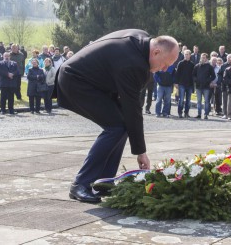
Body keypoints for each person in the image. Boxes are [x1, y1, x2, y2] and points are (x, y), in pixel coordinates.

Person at [55, 29, 179, 203]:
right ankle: (80, 184)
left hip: (91, 81)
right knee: (116, 127)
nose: (165, 70)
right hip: (76, 81)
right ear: (156, 52)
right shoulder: (134, 64)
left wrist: (138, 146)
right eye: (166, 64)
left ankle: (103, 183)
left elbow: (129, 110)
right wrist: (141, 152)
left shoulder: (141, 39)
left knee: (120, 125)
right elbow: (133, 109)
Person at [192, 53, 215, 120]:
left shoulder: (209, 66)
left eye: (204, 57)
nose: (202, 58)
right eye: (202, 57)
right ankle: (199, 114)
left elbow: (213, 76)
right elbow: (193, 75)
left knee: (206, 101)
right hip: (198, 86)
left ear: (206, 59)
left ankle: (206, 114)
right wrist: (196, 80)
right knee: (199, 101)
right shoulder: (197, 66)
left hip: (206, 87)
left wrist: (208, 81)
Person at [176, 49, 195, 118]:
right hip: (181, 84)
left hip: (189, 85)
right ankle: (180, 113)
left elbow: (193, 75)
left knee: (188, 101)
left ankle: (186, 113)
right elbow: (177, 74)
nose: (186, 56)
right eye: (185, 54)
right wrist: (176, 83)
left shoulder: (192, 64)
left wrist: (193, 85)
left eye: (187, 54)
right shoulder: (180, 63)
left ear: (190, 55)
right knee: (181, 100)